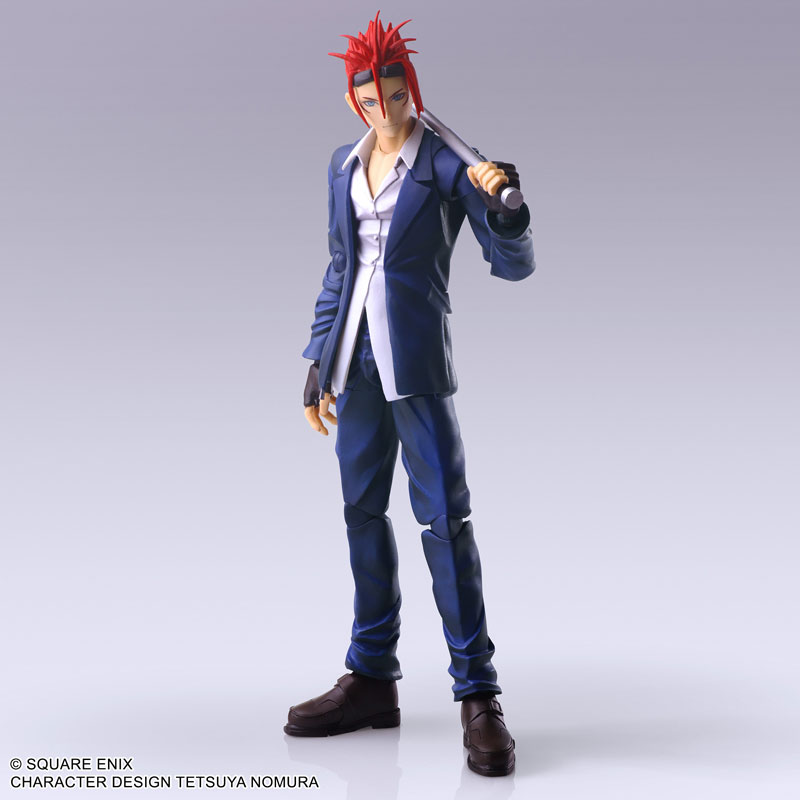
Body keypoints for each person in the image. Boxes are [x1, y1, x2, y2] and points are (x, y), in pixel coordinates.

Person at [286, 13, 535, 777]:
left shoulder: (447, 165)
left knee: (445, 521)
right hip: (355, 365)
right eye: (370, 99)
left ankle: (478, 691)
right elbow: (341, 267)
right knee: (361, 513)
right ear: (354, 100)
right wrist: (317, 357)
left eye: (396, 95)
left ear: (411, 90)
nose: (385, 109)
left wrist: (508, 209)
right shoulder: (343, 165)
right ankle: (371, 677)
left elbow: (511, 262)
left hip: (416, 364)